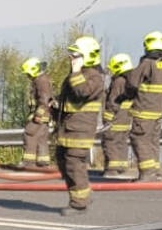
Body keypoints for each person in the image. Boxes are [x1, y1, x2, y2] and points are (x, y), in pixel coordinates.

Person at [54, 36, 105, 216]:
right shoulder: (77, 75)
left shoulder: (95, 78)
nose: (71, 59)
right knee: (63, 161)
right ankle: (83, 194)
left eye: (76, 55)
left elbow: (82, 92)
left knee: (74, 165)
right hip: (67, 130)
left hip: (80, 131)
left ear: (87, 56)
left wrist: (75, 73)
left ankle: (79, 203)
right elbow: (69, 102)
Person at [124, 31, 162, 181]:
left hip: (143, 111)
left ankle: (147, 173)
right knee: (153, 141)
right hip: (158, 111)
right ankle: (156, 170)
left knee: (139, 139)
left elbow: (132, 82)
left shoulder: (146, 64)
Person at [18, 57, 55, 169]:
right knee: (41, 137)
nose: (27, 76)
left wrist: (38, 114)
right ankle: (43, 162)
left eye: (28, 73)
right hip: (45, 115)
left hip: (40, 114)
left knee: (29, 134)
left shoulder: (41, 81)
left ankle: (29, 162)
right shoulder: (42, 79)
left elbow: (44, 99)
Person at [102, 53, 134, 179]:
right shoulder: (130, 81)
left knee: (110, 142)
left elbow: (113, 100)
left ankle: (112, 169)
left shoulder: (118, 81)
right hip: (125, 118)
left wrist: (108, 116)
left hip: (115, 118)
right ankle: (121, 166)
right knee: (121, 142)